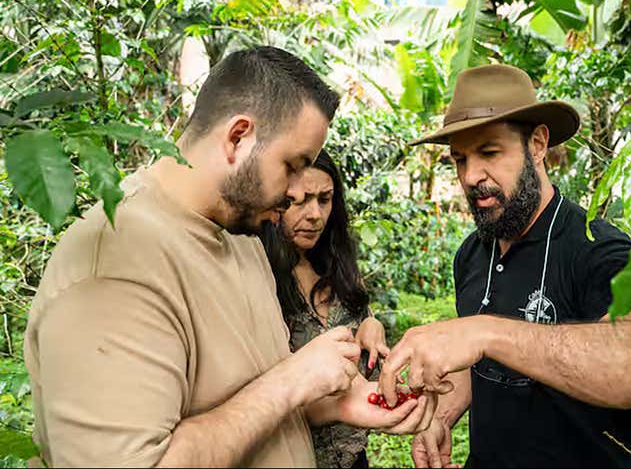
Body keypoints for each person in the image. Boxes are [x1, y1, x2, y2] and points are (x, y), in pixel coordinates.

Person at [23, 46, 435, 468]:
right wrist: (292, 381)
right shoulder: (112, 266)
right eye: (292, 166)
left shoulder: (242, 234)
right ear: (238, 137)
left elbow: (251, 403)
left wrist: (335, 404)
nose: (297, 193)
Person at [376, 64, 631, 468]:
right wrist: (441, 416)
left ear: (538, 144)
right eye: (460, 159)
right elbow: (482, 364)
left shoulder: (596, 247)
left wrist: (484, 331)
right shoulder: (472, 253)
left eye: (489, 152)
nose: (470, 176)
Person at [260, 148, 390, 468]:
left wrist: (370, 327)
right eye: (299, 201)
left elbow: (362, 316)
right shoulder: (256, 274)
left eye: (324, 198)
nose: (315, 214)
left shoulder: (337, 264)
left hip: (352, 456)